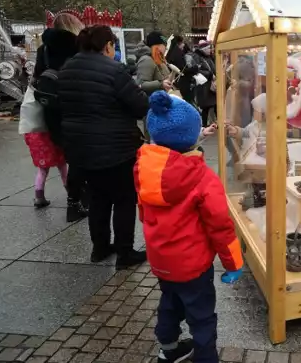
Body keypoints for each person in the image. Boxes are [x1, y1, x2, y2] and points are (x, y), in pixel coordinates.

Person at [135, 91, 243, 363]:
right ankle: (206, 358)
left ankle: (168, 350)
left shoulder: (143, 168)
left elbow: (143, 212)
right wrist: (233, 263)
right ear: (190, 135)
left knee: (169, 303)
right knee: (202, 314)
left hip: (161, 260)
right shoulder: (202, 177)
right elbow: (220, 225)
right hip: (192, 264)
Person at [57, 25, 149, 269]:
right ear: (108, 45)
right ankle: (125, 253)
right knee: (123, 200)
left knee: (97, 199)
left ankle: (99, 249)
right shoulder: (114, 70)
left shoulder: (66, 69)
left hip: (80, 149)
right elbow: (140, 106)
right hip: (115, 149)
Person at [30, 12, 88, 222]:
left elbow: (36, 78)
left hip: (51, 108)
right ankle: (82, 198)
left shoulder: (43, 49)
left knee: (69, 155)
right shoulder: (77, 47)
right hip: (75, 105)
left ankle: (73, 203)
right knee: (81, 158)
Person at [192, 40, 217, 127]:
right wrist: (210, 74)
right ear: (204, 49)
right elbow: (197, 70)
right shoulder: (198, 57)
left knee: (215, 105)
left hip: (210, 85)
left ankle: (217, 122)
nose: (210, 50)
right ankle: (204, 125)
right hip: (203, 86)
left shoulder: (209, 57)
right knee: (206, 107)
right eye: (208, 49)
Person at [166, 35, 194, 104]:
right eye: (182, 43)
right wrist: (194, 69)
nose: (183, 45)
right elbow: (182, 69)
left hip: (176, 83)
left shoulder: (170, 52)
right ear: (179, 43)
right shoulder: (178, 53)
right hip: (181, 84)